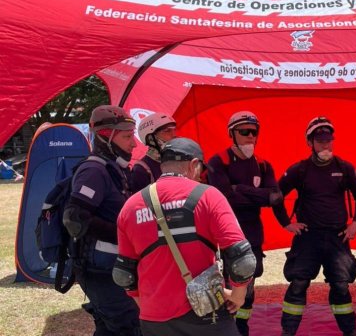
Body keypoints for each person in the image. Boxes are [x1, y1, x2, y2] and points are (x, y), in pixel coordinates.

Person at [113, 137, 256, 336]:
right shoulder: (208, 196)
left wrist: (147, 305)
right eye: (202, 171)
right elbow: (242, 258)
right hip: (205, 312)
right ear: (194, 165)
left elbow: (124, 273)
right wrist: (239, 296)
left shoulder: (130, 206)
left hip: (154, 320)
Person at [273, 116, 356, 336]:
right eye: (320, 140)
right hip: (308, 237)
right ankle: (288, 332)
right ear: (310, 142)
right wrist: (287, 224)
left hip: (338, 237)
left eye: (329, 140)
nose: (326, 144)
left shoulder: (344, 167)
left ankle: (351, 331)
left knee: (341, 286)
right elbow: (276, 196)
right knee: (298, 284)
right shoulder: (300, 170)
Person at [62, 105, 141, 336]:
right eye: (127, 136)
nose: (134, 144)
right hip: (100, 272)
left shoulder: (115, 169)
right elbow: (75, 218)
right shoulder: (94, 171)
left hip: (112, 268)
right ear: (105, 136)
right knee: (128, 327)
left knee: (109, 329)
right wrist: (124, 236)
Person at [206, 111, 283, 336]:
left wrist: (240, 189)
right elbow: (224, 198)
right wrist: (259, 195)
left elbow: (275, 197)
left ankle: (242, 327)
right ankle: (226, 327)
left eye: (254, 132)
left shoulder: (263, 164)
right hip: (225, 234)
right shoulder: (218, 161)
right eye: (244, 132)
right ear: (232, 134)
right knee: (229, 283)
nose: (251, 136)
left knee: (250, 280)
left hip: (252, 232)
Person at [130, 112, 177, 193]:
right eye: (167, 131)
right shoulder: (141, 170)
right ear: (151, 138)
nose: (174, 135)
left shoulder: (178, 161)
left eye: (174, 130)